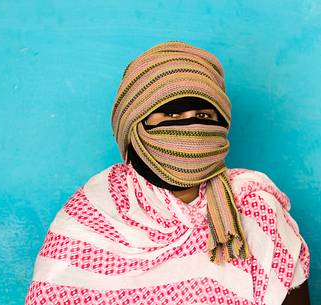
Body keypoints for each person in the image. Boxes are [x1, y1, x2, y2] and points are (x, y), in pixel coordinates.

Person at [25, 41, 310, 304]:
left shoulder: (253, 208)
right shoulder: (94, 213)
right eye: (171, 115)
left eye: (203, 116)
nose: (190, 127)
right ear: (133, 127)